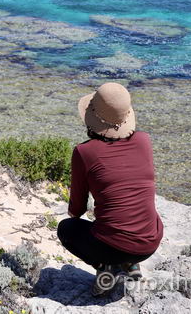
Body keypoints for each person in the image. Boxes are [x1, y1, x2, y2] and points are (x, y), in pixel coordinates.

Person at [56, 82, 164, 296]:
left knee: (66, 229)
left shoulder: (84, 152)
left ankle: (106, 269)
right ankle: (131, 265)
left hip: (112, 247)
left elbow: (76, 210)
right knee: (129, 222)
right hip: (150, 243)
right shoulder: (144, 140)